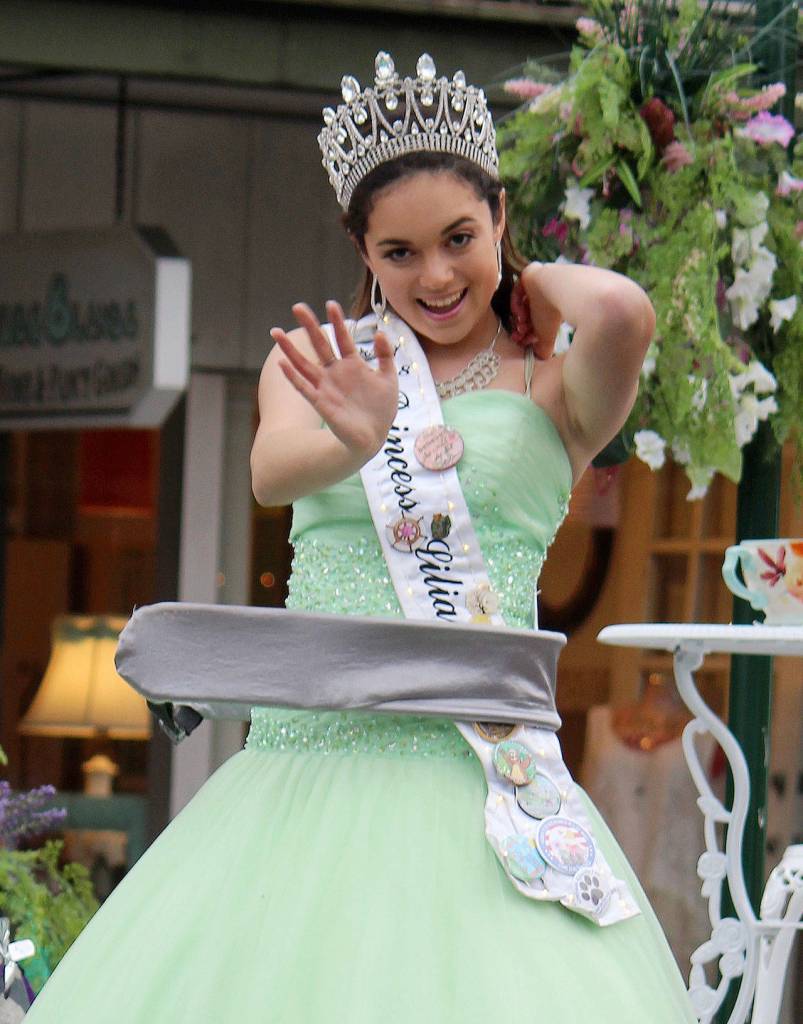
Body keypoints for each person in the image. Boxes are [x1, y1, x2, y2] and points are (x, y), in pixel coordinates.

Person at [26, 52, 697, 1023]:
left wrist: (520, 279)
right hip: (304, 768)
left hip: (478, 781)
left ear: (500, 218)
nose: (433, 274)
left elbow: (623, 312)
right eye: (399, 251)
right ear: (362, 249)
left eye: (458, 237)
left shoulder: (549, 387)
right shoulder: (321, 364)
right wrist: (354, 436)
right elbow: (268, 472)